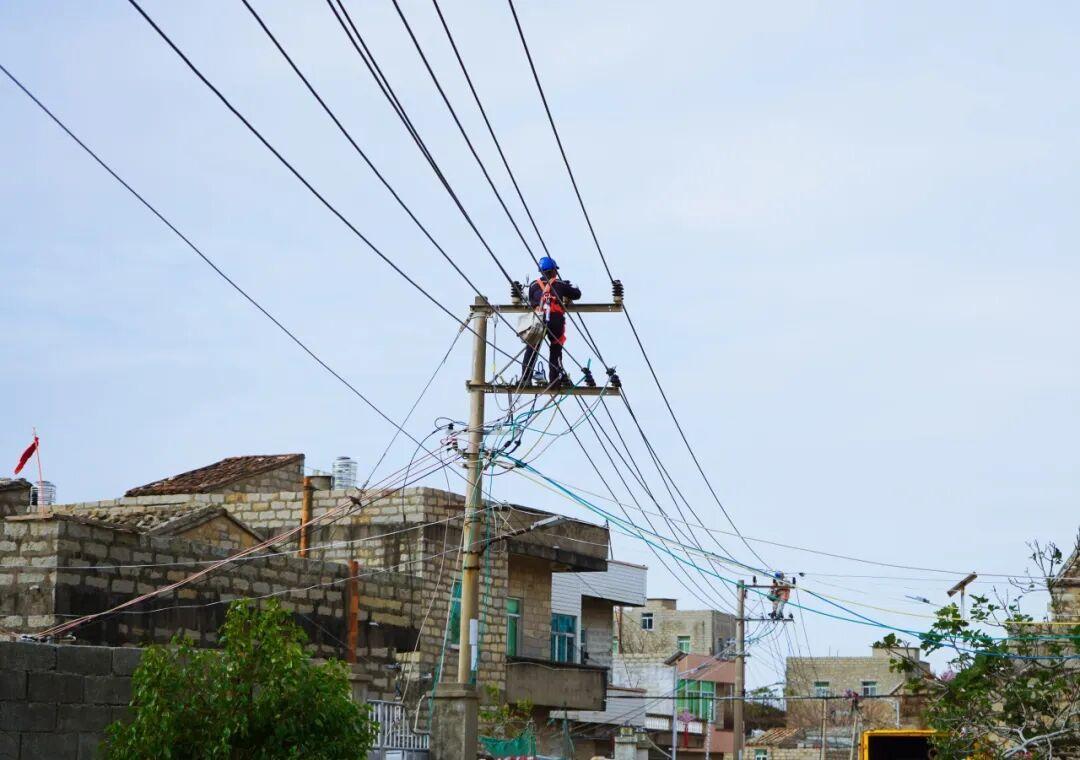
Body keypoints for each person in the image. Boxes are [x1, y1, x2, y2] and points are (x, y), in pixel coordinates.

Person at [521, 256, 581, 385]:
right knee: (555, 348)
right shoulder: (559, 284)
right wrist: (573, 287)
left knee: (531, 348)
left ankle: (525, 379)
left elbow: (532, 301)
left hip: (538, 319)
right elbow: (576, 294)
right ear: (553, 270)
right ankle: (555, 380)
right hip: (555, 319)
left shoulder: (533, 285)